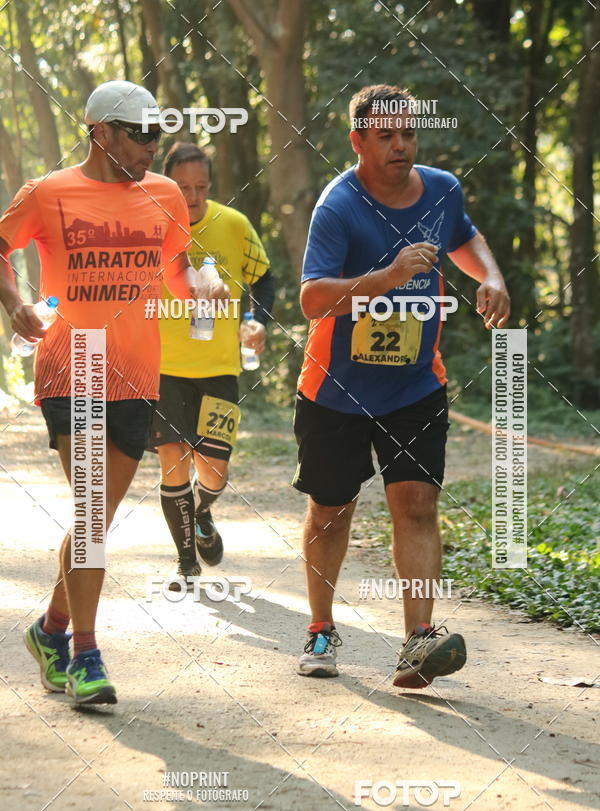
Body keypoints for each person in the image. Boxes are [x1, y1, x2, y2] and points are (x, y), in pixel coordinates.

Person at [0, 81, 226, 706]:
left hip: (136, 371)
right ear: (99, 130)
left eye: (157, 132)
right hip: (70, 364)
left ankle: (50, 630)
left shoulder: (166, 195)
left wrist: (200, 292)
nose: (152, 145)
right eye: (139, 132)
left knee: (94, 517)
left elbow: (176, 271)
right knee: (93, 507)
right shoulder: (48, 194)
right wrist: (16, 303)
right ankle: (86, 656)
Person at [293, 84, 510, 687]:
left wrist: (488, 276)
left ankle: (418, 642)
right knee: (331, 512)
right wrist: (387, 276)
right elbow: (312, 298)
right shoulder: (338, 206)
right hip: (335, 390)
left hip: (415, 386)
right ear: (357, 141)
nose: (401, 145)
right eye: (386, 135)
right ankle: (319, 627)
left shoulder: (441, 190)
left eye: (408, 133)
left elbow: (464, 239)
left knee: (415, 505)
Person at [149, 142, 274, 585]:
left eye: (201, 187)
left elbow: (265, 281)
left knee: (214, 468)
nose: (194, 196)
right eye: (183, 187)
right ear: (167, 186)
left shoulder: (234, 224)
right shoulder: (154, 224)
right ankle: (186, 562)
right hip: (165, 368)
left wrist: (256, 322)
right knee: (173, 461)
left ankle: (202, 513)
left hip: (220, 368)